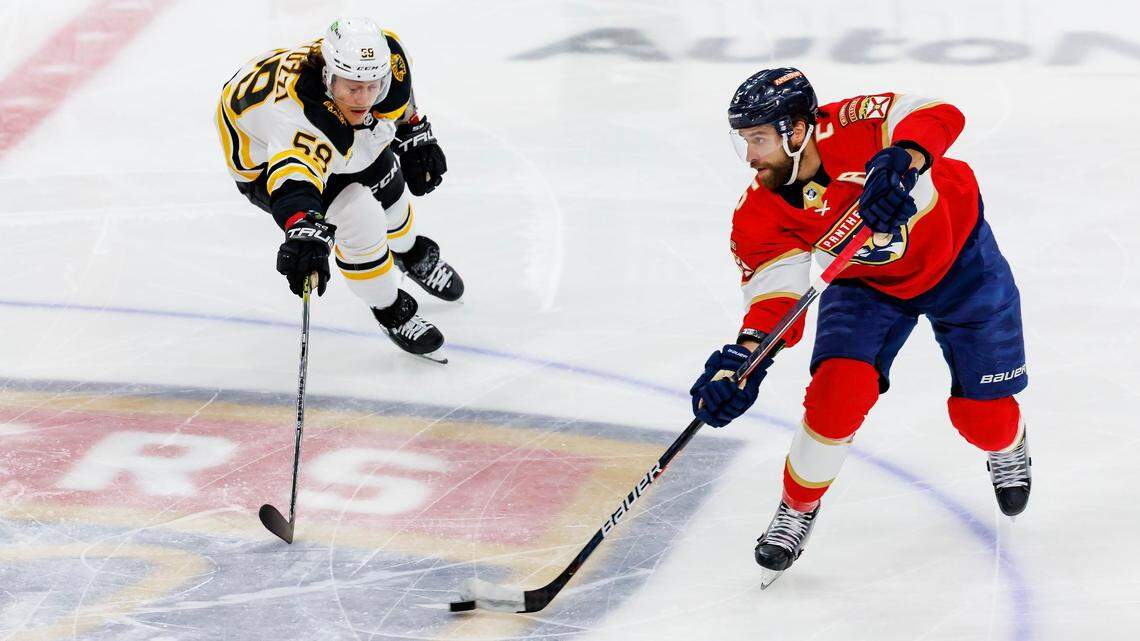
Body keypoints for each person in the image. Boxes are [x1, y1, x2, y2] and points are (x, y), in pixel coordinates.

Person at [689, 68, 1031, 586]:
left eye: (758, 139)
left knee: (980, 419)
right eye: (745, 142)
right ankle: (797, 507)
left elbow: (941, 113)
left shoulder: (855, 123)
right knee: (835, 396)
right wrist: (748, 358)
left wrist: (904, 158)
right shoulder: (758, 211)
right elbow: (776, 297)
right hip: (865, 286)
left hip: (961, 264)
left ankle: (1008, 448)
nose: (751, 157)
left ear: (797, 130)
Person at [215, 16, 462, 363]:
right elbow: (293, 184)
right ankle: (390, 308)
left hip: (324, 124)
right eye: (353, 88)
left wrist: (413, 128)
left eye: (373, 85)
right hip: (262, 158)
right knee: (358, 214)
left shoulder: (383, 57)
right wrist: (302, 227)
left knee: (388, 182)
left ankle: (408, 251)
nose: (364, 98)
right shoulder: (300, 118)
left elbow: (395, 79)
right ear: (329, 78)